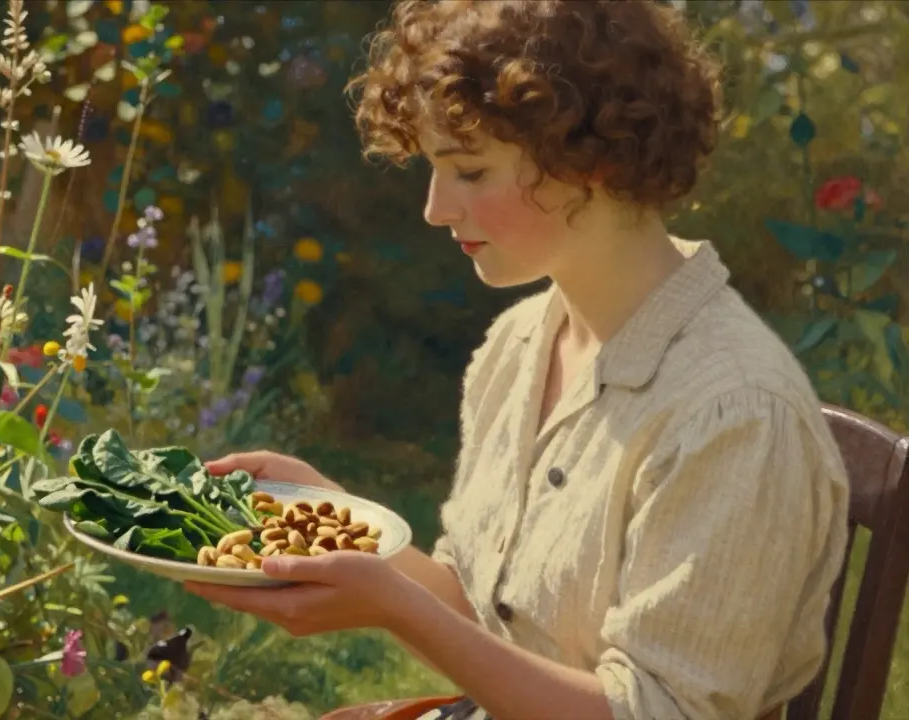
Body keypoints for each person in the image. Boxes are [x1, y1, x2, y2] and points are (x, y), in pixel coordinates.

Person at [183, 1, 852, 719]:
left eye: (469, 172)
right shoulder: (521, 344)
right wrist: (340, 521)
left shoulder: (734, 411)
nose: (435, 209)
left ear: (591, 161)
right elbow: (491, 614)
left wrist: (398, 609)